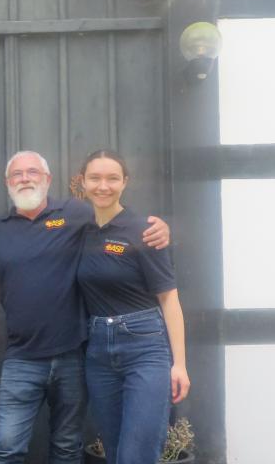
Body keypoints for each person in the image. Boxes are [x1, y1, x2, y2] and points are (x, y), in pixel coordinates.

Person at [0, 151, 170, 464]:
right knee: (7, 446)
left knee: (67, 447)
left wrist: (158, 228)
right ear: (7, 183)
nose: (25, 179)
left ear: (48, 179)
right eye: (17, 174)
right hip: (21, 358)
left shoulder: (77, 213)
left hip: (74, 356)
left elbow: (118, 220)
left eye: (33, 172)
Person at [75, 150, 190, 463]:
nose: (103, 186)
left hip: (145, 348)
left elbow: (169, 299)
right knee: (115, 453)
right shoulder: (78, 230)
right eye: (95, 178)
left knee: (136, 454)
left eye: (112, 178)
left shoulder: (145, 231)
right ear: (82, 182)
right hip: (98, 353)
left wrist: (179, 364)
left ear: (125, 182)